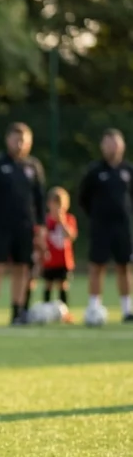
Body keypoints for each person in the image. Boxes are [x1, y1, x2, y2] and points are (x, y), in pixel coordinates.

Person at [0, 122, 46, 327]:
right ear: (8, 140)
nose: (19, 143)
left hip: (25, 226)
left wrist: (41, 226)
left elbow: (39, 198)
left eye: (23, 140)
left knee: (22, 268)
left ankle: (17, 312)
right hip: (1, 226)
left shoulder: (33, 166)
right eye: (16, 139)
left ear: (30, 142)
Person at [78, 128, 133, 323]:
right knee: (96, 266)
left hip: (122, 227)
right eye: (108, 143)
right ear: (102, 146)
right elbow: (83, 198)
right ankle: (94, 308)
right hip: (100, 227)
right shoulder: (94, 172)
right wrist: (95, 216)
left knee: (124, 266)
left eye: (116, 143)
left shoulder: (128, 171)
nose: (112, 147)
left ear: (122, 146)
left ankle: (127, 309)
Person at [42, 187, 78, 312]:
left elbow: (71, 236)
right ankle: (45, 310)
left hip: (64, 260)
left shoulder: (69, 219)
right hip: (49, 260)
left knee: (63, 285)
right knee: (48, 284)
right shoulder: (45, 220)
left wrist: (61, 221)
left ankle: (64, 312)